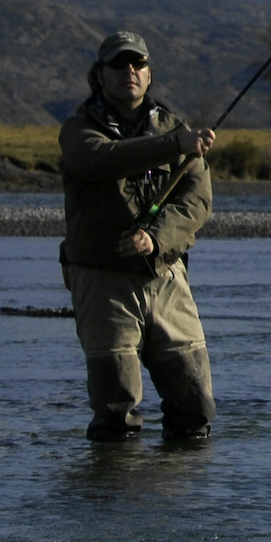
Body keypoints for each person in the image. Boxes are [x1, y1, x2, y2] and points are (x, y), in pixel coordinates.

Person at [58, 30, 220, 442]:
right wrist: (173, 146)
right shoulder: (79, 129)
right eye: (118, 64)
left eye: (138, 64)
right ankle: (111, 498)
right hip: (102, 281)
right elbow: (100, 161)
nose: (129, 70)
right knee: (116, 410)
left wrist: (156, 238)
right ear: (100, 75)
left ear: (149, 74)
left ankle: (177, 500)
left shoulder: (173, 126)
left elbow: (197, 202)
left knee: (195, 407)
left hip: (166, 278)